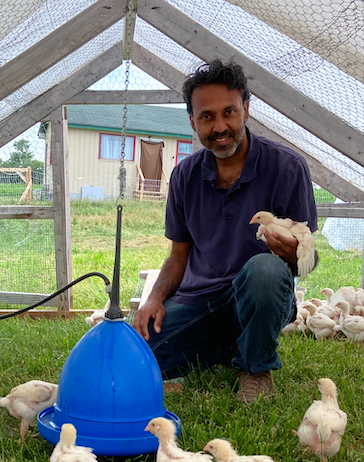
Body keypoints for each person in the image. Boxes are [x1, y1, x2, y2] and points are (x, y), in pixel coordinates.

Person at [133, 59, 318, 404]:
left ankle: (255, 368)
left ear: (246, 110)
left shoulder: (287, 168)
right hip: (198, 301)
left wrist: (294, 255)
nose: (220, 126)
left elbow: (309, 256)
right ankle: (226, 347)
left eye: (229, 112)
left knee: (265, 269)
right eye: (207, 117)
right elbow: (178, 256)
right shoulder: (185, 176)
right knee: (136, 352)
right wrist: (154, 300)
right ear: (193, 121)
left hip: (256, 297)